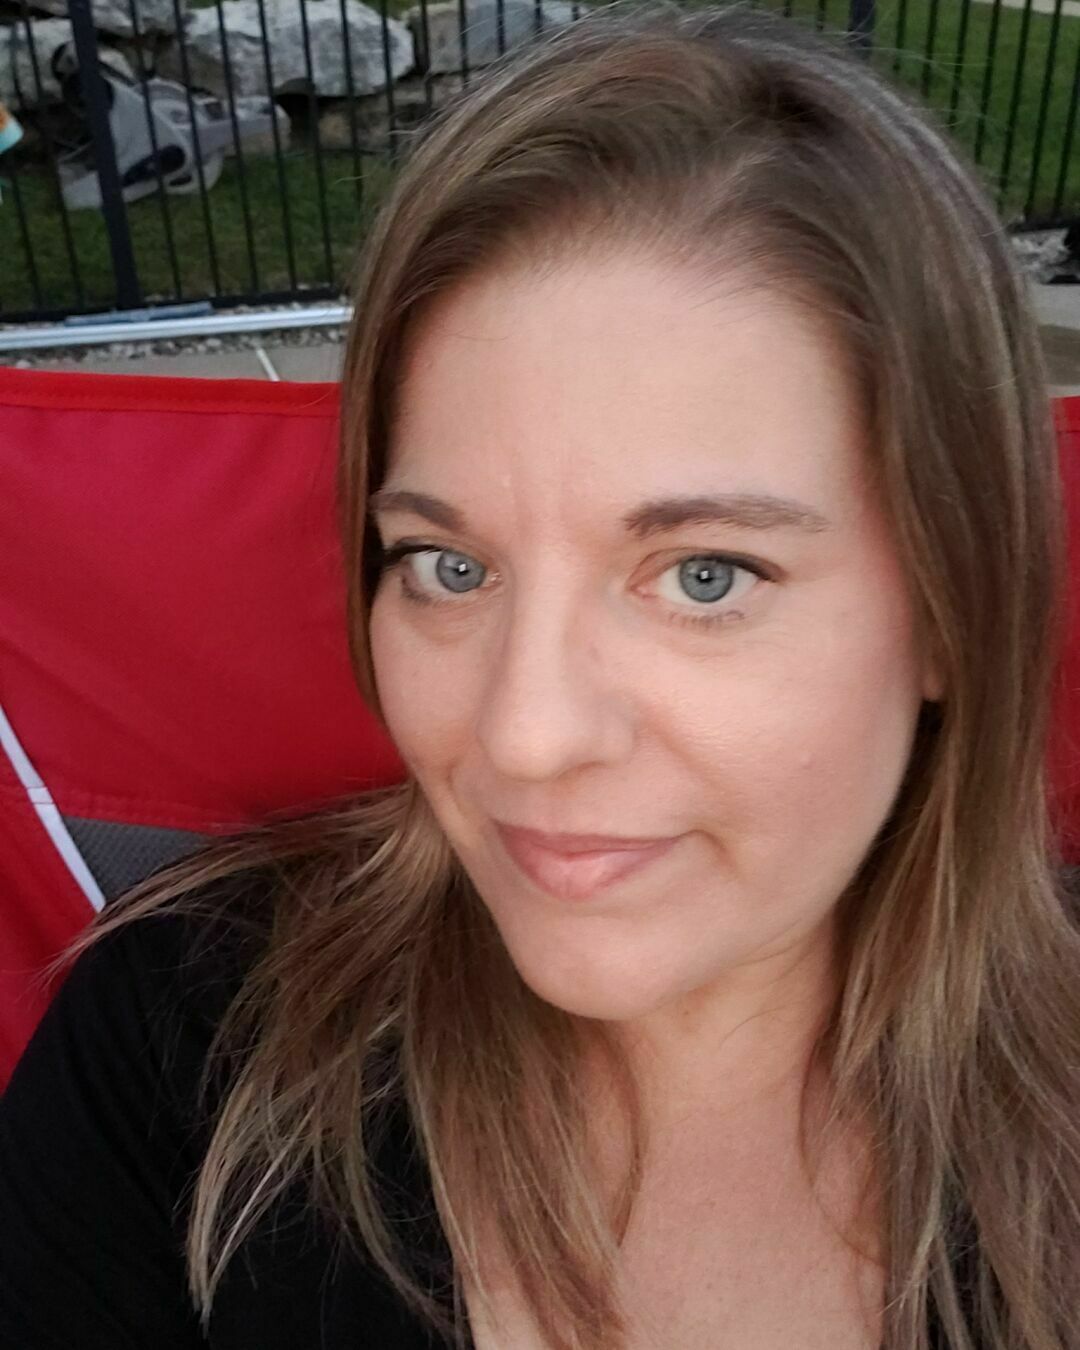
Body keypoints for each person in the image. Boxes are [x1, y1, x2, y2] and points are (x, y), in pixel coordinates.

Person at [2, 2, 1077, 1347]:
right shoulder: (184, 1058)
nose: (522, 735)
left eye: (705, 575)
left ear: (951, 608)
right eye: (448, 566)